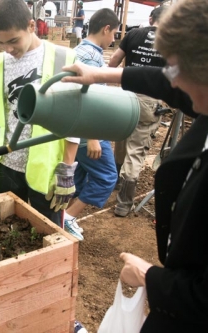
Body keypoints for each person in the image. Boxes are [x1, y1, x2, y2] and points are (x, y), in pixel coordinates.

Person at [61, 0, 208, 331]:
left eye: (181, 71)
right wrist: (98, 73)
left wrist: (149, 277)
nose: (174, 84)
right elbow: (161, 81)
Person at [0, 0, 81, 231]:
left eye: (14, 41)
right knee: (8, 230)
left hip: (47, 169)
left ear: (32, 26)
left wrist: (67, 169)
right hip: (8, 166)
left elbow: (74, 121)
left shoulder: (63, 59)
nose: (8, 50)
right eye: (1, 43)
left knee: (48, 232)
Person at [63, 8, 120, 241]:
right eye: (114, 33)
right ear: (106, 29)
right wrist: (93, 135)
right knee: (107, 175)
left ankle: (58, 215)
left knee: (78, 177)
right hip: (87, 132)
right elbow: (83, 96)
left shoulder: (81, 50)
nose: (114, 39)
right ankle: (67, 218)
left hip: (76, 130)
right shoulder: (91, 56)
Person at [108, 6, 167, 217]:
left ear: (150, 19)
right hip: (149, 101)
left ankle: (115, 182)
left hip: (126, 97)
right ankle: (124, 204)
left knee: (122, 140)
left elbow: (114, 61)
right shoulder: (170, 40)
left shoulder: (133, 34)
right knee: (136, 150)